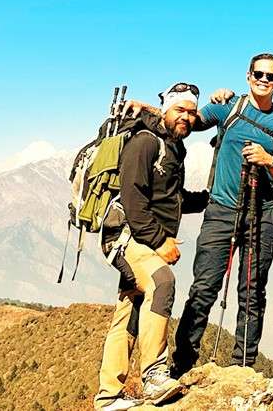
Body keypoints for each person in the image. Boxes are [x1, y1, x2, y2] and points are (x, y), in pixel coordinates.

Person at [171, 53, 273, 376]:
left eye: (270, 76)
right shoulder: (228, 108)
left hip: (263, 213)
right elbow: (185, 122)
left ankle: (243, 365)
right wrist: (151, 109)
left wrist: (268, 160)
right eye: (259, 74)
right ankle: (182, 362)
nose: (264, 80)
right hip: (221, 210)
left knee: (252, 291)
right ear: (248, 75)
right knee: (204, 287)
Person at [94, 83, 209, 410]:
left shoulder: (174, 147)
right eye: (180, 110)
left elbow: (170, 198)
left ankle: (107, 397)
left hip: (139, 237)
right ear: (165, 110)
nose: (185, 116)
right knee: (162, 282)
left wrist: (207, 200)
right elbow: (134, 201)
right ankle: (154, 375)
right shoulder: (145, 143)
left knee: (129, 313)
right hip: (126, 235)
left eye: (191, 111)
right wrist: (161, 242)